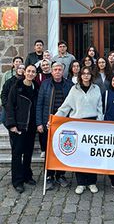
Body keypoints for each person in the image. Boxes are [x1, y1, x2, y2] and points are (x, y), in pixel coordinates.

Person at [54, 67, 103, 194]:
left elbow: (99, 108)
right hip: (78, 124)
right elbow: (65, 107)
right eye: (84, 74)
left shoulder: (96, 89)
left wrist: (100, 122)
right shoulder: (74, 89)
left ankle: (92, 181)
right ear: (80, 76)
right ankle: (81, 182)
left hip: (92, 124)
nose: (86, 76)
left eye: (88, 74)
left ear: (91, 76)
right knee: (80, 155)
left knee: (91, 154)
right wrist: (55, 119)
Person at [36, 62, 73, 190]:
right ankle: (49, 176)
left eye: (59, 69)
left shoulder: (69, 85)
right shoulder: (45, 84)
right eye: (55, 69)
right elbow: (40, 104)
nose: (57, 71)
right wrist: (39, 123)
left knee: (62, 151)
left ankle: (60, 175)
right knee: (49, 150)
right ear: (51, 71)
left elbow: (73, 105)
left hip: (64, 123)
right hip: (49, 123)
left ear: (63, 71)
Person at [6, 64, 38, 193]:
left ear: (35, 74)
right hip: (18, 125)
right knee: (17, 153)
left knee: (28, 152)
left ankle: (27, 175)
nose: (30, 73)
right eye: (28, 71)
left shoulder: (36, 87)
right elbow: (9, 106)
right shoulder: (16, 87)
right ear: (24, 72)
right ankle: (17, 181)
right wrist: (12, 124)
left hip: (30, 126)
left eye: (33, 72)